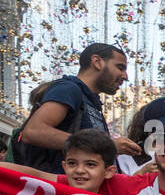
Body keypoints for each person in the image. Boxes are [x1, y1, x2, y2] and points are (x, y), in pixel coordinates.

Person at [16, 43, 142, 172]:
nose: (125, 76)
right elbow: (33, 132)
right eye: (120, 67)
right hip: (60, 188)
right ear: (97, 62)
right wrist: (106, 146)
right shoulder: (69, 89)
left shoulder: (91, 102)